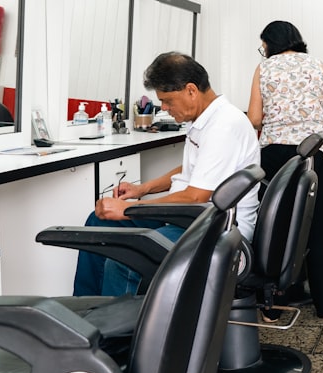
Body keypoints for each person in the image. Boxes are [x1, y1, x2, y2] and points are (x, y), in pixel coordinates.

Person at [73, 52, 260, 296]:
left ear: (191, 90)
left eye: (168, 100)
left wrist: (130, 208)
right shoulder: (205, 119)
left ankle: (120, 331)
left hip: (214, 227)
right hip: (192, 216)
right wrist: (143, 189)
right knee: (99, 221)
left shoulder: (223, 126)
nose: (164, 108)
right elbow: (191, 170)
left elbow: (196, 196)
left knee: (123, 260)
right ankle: (88, 313)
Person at [247, 20, 323, 318]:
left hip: (275, 158)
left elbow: (254, 118)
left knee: (274, 228)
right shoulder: (316, 65)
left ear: (269, 44)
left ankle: (271, 306)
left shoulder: (263, 69)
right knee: (317, 230)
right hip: (313, 155)